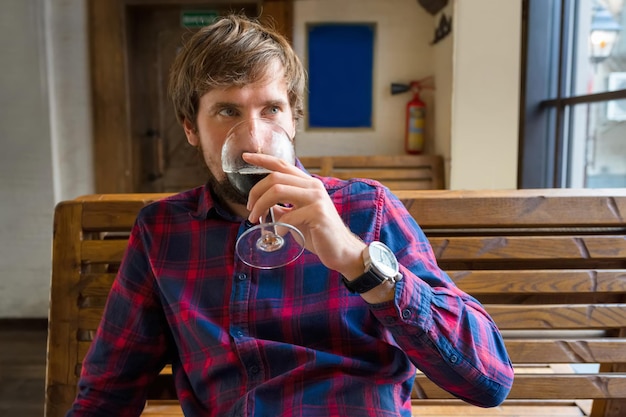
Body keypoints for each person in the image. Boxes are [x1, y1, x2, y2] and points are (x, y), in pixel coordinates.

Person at [67, 14, 514, 417]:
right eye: (228, 111)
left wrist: (359, 262)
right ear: (190, 127)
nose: (255, 139)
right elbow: (109, 391)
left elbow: (488, 381)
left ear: (294, 118)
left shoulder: (366, 209)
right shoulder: (162, 231)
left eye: (271, 109)